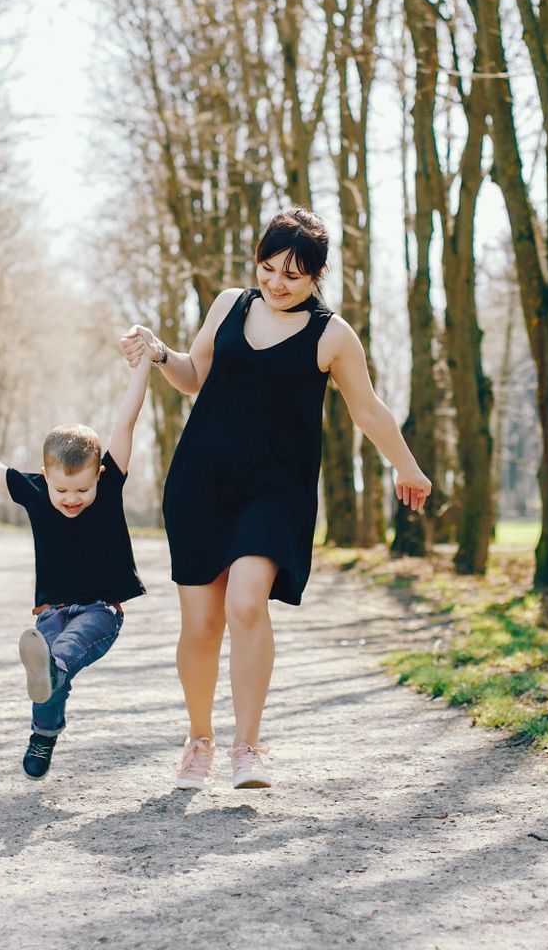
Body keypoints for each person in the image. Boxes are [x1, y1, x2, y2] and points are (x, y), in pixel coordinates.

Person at [121, 208, 431, 792]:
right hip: (201, 482)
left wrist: (406, 466)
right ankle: (199, 741)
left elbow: (367, 410)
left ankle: (248, 747)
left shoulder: (332, 335)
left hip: (275, 491)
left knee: (245, 604)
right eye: (268, 268)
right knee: (201, 624)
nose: (276, 282)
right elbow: (195, 377)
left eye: (292, 273)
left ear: (317, 274)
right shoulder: (229, 305)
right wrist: (161, 353)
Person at [0, 354, 151, 779]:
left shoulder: (109, 485)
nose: (72, 498)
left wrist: (143, 367)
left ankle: (49, 690)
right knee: (48, 669)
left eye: (83, 488)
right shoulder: (36, 492)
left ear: (99, 474)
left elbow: (125, 424)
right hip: (50, 612)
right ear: (44, 476)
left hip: (100, 611)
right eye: (61, 489)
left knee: (61, 655)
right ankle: (44, 733)